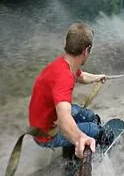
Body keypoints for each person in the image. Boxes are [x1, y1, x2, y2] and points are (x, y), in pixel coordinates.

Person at [28, 22, 111, 160]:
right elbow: (65, 119)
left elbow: (81, 76)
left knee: (90, 115)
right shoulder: (64, 77)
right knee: (95, 130)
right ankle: (89, 152)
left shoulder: (64, 64)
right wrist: (80, 138)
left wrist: (98, 77)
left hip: (46, 120)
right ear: (86, 50)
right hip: (46, 134)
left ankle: (80, 136)